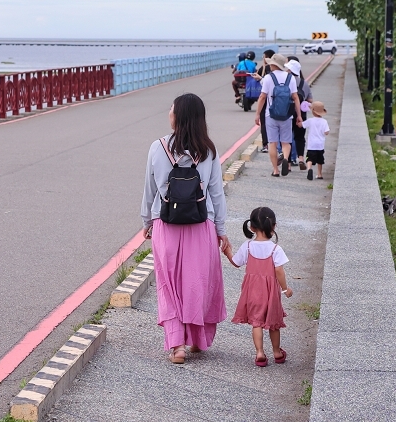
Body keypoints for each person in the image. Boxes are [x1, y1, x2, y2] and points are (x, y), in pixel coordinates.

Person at [141, 93, 229, 365]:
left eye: (171, 108)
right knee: (195, 283)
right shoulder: (209, 151)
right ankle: (197, 340)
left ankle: (176, 345)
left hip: (165, 224)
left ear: (178, 116)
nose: (169, 112)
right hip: (201, 224)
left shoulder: (158, 147)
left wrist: (146, 221)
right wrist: (221, 229)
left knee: (169, 285)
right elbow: (217, 193)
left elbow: (150, 189)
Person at [222, 206, 292, 367]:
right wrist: (285, 288)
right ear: (273, 227)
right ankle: (277, 352)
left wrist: (228, 253)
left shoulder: (247, 246)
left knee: (257, 322)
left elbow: (236, 262)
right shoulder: (275, 249)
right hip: (271, 292)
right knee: (273, 323)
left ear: (251, 227)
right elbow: (279, 270)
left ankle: (260, 352)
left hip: (252, 290)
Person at [254, 54, 303, 177]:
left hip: (271, 115)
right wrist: (299, 115)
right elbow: (295, 97)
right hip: (287, 115)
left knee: (272, 143)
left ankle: (275, 170)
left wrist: (257, 114)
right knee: (286, 142)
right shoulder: (290, 78)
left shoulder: (268, 78)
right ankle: (286, 158)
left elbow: (262, 97)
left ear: (273, 65)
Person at [285, 58, 312, 168]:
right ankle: (301, 158)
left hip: (289, 113)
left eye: (287, 68)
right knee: (300, 137)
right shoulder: (304, 83)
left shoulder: (287, 81)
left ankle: (289, 164)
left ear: (290, 70)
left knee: (288, 138)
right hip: (302, 114)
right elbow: (310, 100)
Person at [253, 49, 275, 152]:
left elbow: (265, 84)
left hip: (265, 98)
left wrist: (259, 78)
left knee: (264, 121)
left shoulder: (264, 68)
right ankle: (274, 144)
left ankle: (266, 144)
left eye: (263, 56)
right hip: (275, 99)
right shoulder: (279, 70)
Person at [302, 101, 330, 180]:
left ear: (313, 111)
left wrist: (298, 123)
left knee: (310, 158)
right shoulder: (324, 122)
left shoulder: (311, 120)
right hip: (320, 145)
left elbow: (302, 125)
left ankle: (309, 169)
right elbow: (326, 132)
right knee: (320, 160)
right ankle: (319, 174)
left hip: (311, 145)